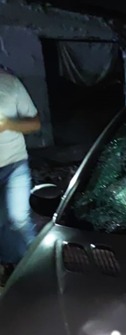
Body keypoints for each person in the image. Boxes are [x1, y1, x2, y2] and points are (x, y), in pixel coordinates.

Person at [0, 66, 41, 285]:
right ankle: (10, 266)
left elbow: (34, 123)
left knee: (19, 219)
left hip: (14, 164)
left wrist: (8, 124)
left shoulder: (10, 83)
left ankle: (39, 264)